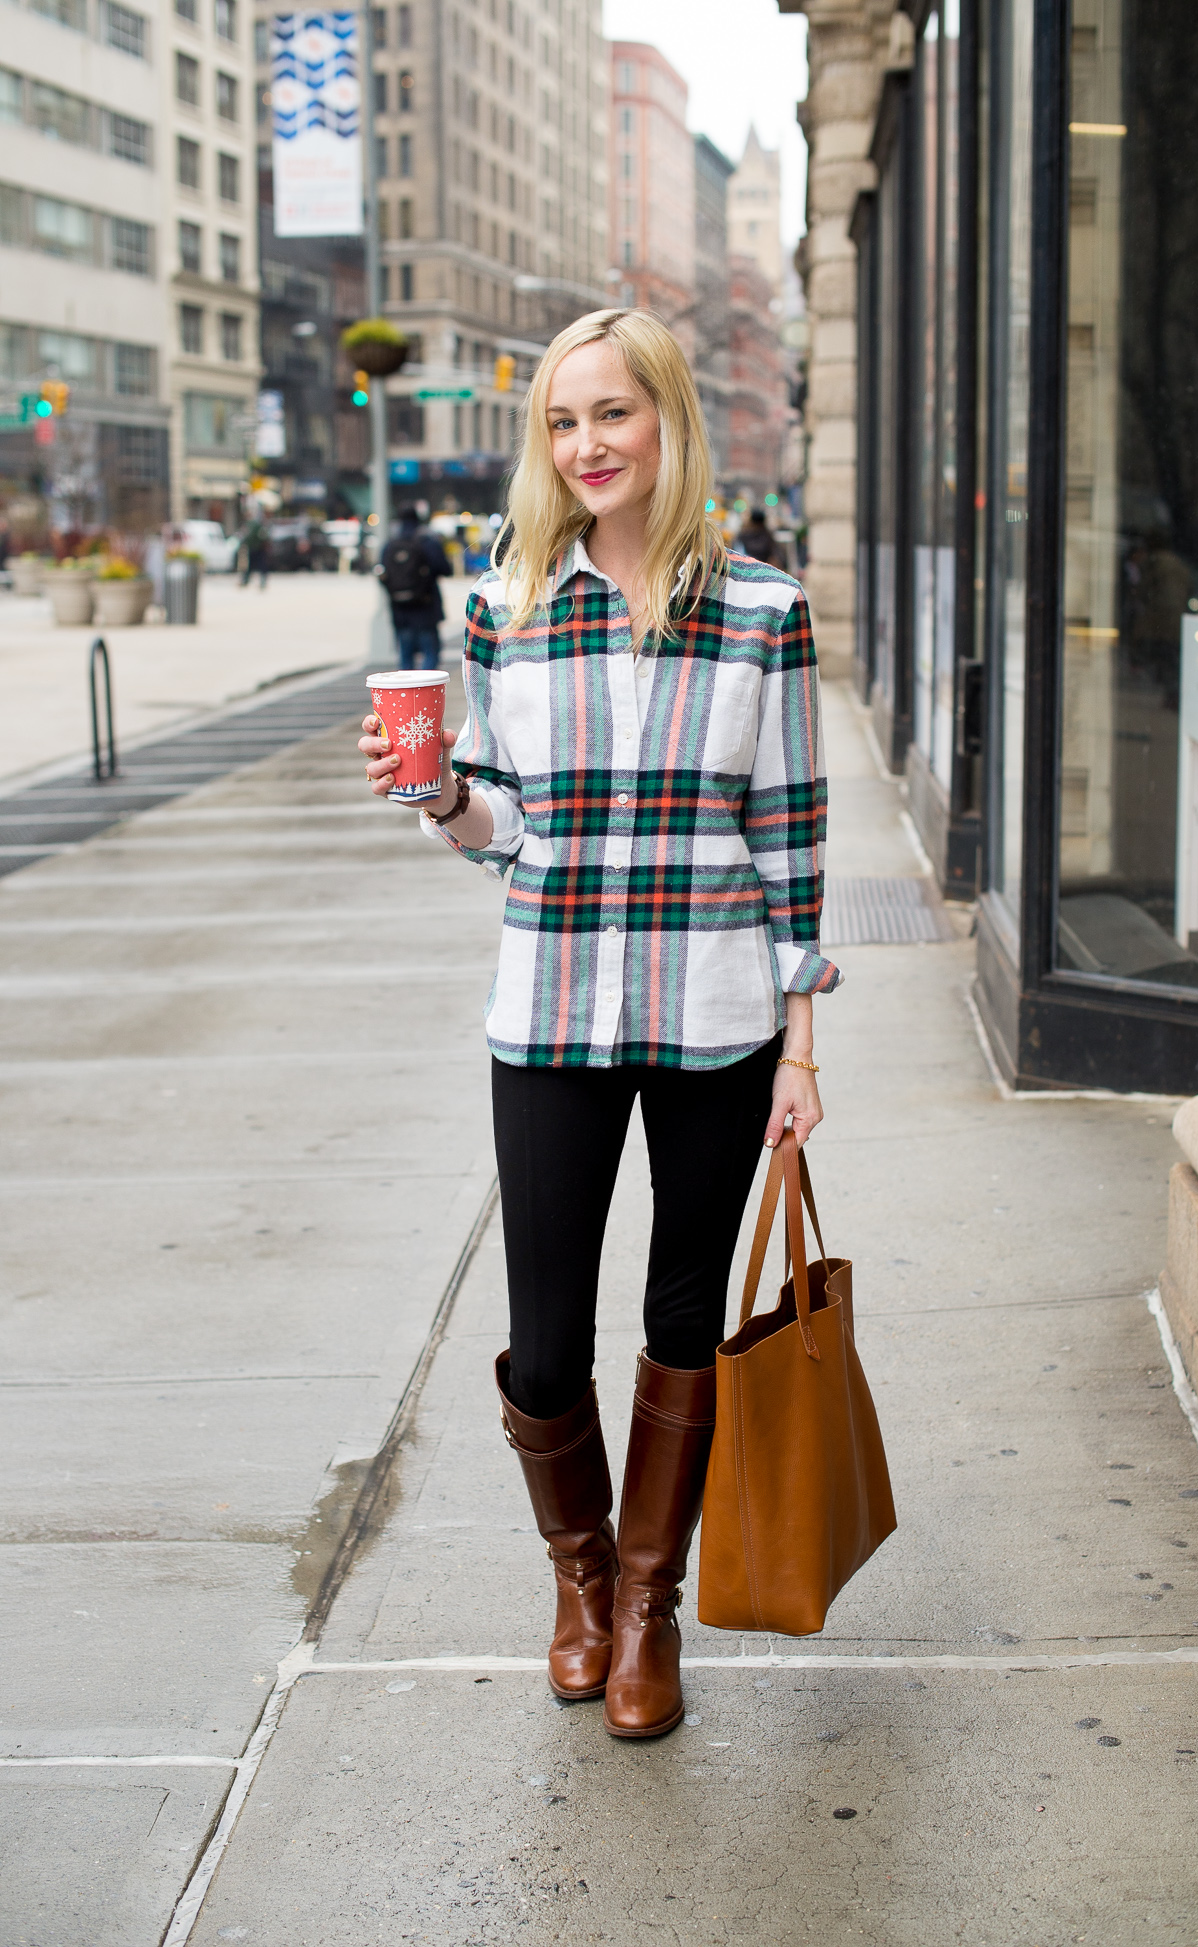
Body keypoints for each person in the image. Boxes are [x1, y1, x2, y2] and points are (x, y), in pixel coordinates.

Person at [359, 309, 839, 1740]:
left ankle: (645, 1607)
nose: (588, 446)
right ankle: (577, 1571)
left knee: (684, 1315)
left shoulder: (763, 609)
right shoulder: (505, 606)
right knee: (548, 1339)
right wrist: (438, 791)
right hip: (552, 1008)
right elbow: (504, 828)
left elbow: (791, 832)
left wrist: (803, 1045)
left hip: (718, 1013)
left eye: (614, 415)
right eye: (564, 423)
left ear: (668, 423)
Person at [377, 506, 453, 670]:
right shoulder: (427, 542)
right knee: (431, 654)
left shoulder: (390, 545)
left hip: (401, 611)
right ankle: (425, 694)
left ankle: (408, 694)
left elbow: (382, 575)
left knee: (405, 658)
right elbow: (446, 569)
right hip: (426, 608)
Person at [240, 515, 270, 589]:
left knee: (255, 565)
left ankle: (247, 580)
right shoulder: (255, 525)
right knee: (257, 565)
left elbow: (247, 536)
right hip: (256, 548)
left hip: (256, 548)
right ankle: (247, 580)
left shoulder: (253, 525)